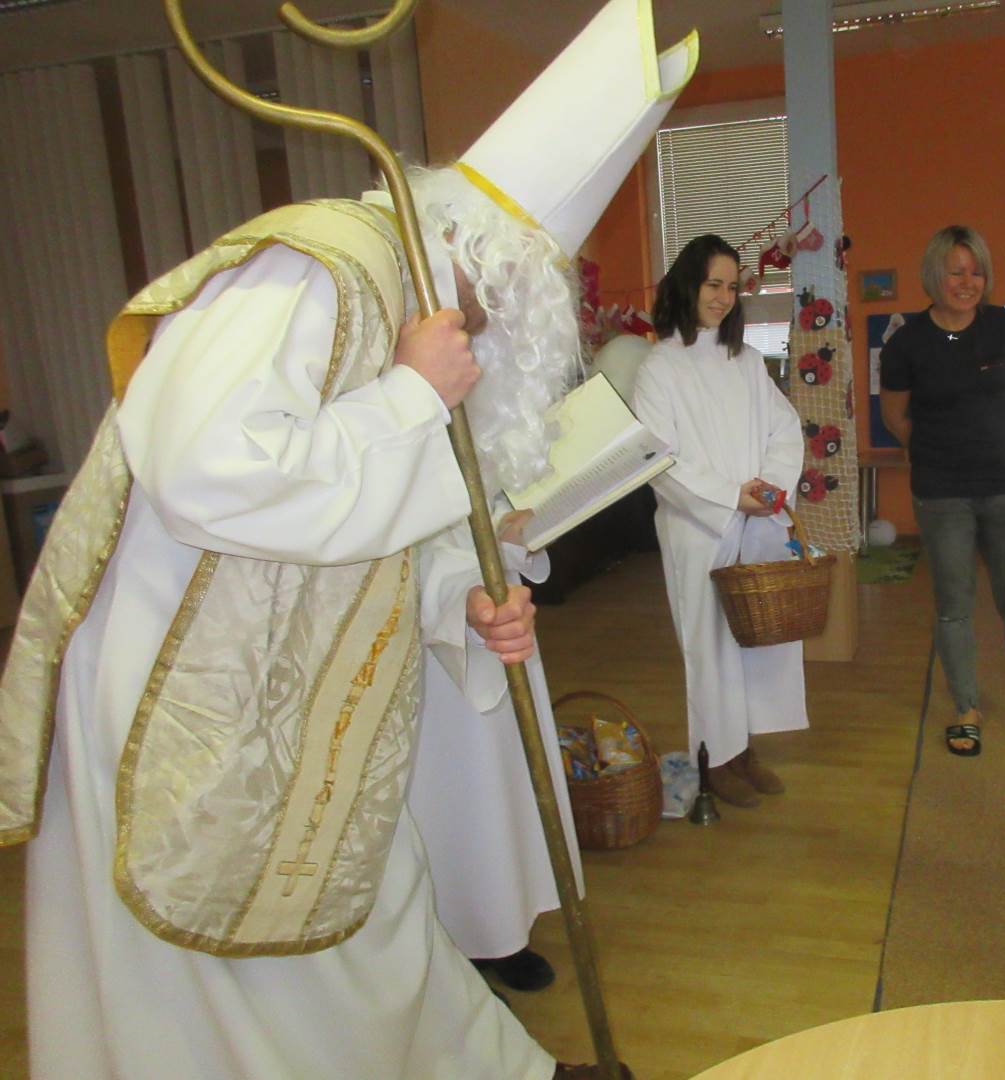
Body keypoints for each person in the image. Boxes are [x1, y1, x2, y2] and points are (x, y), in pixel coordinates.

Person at [0, 0, 696, 1074]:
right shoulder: (318, 265)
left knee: (372, 913)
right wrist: (409, 396)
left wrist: (460, 598)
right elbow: (202, 470)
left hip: (302, 698)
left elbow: (386, 521)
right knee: (208, 985)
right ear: (493, 256)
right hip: (189, 699)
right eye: (525, 290)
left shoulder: (418, 312)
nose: (514, 326)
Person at [879, 224, 1005, 758]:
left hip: (1004, 487)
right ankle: (966, 710)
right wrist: (937, 448)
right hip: (941, 492)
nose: (968, 282)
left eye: (976, 271)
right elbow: (895, 416)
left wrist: (992, 442)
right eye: (956, 271)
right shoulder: (905, 343)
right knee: (954, 607)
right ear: (934, 275)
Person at [632, 234, 807, 809]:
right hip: (700, 529)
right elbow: (659, 460)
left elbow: (784, 430)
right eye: (713, 284)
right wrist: (731, 496)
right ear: (688, 285)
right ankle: (714, 758)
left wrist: (769, 489)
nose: (724, 297)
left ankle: (745, 749)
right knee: (708, 648)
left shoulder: (747, 362)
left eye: (732, 287)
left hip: (755, 522)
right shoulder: (659, 367)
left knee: (755, 640)